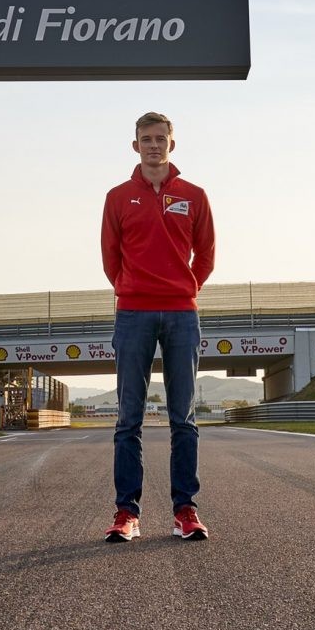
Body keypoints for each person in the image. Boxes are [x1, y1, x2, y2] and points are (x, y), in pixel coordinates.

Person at [101, 112, 216, 542]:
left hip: (182, 314)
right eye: (146, 139)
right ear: (135, 146)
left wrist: (185, 288)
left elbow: (204, 255)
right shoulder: (117, 198)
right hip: (133, 314)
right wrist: (133, 291)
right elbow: (111, 259)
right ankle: (126, 513)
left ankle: (185, 510)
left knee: (182, 418)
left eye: (160, 139)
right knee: (128, 419)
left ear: (172, 143)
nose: (153, 145)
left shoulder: (195, 195)